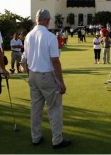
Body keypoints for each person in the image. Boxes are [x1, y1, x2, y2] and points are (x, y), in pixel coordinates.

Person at [24, 9, 71, 148]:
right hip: (46, 76)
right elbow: (55, 61)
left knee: (36, 108)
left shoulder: (28, 35)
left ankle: (36, 137)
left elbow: (24, 58)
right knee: (54, 108)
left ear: (37, 19)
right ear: (47, 20)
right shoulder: (50, 36)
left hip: (32, 75)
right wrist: (61, 82)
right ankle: (57, 140)